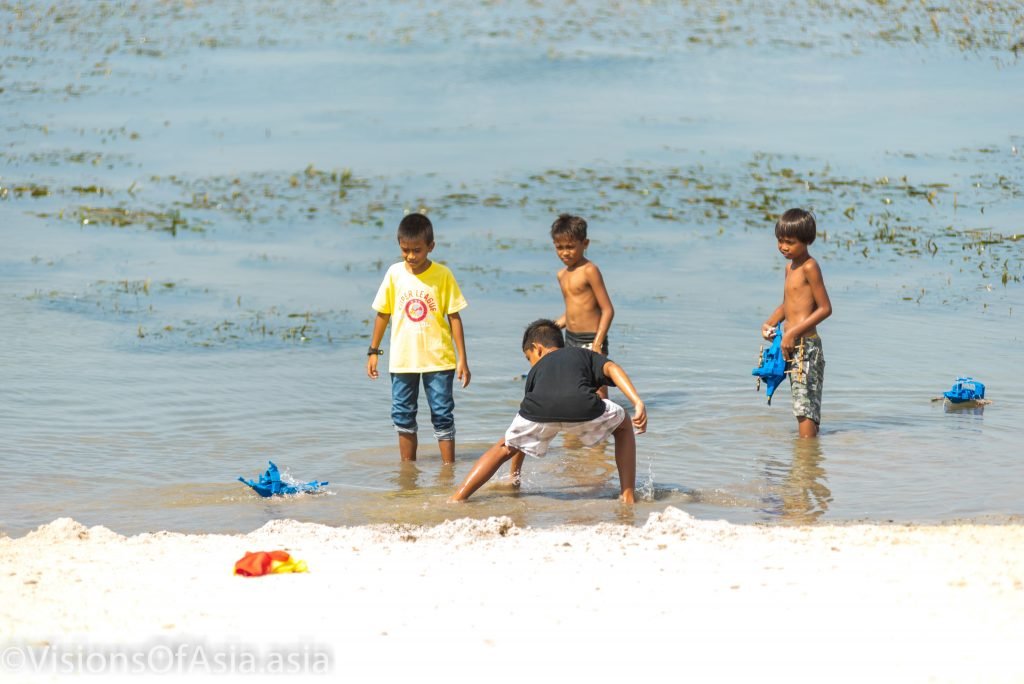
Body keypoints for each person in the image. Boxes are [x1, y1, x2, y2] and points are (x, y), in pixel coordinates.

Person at [449, 319, 646, 504]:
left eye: (529, 358)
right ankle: (627, 495)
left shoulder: (536, 370)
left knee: (504, 445)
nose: (531, 363)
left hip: (539, 409)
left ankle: (458, 497)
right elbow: (611, 367)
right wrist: (636, 401)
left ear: (538, 348)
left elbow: (520, 438)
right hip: (582, 407)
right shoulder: (582, 354)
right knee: (623, 426)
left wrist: (514, 476)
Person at [366, 213, 470, 464]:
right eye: (405, 250)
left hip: (439, 359)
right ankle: (407, 471)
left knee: (443, 414)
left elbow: (454, 317)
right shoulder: (394, 274)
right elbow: (383, 313)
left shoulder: (443, 275)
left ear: (431, 247)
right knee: (402, 414)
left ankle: (448, 470)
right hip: (403, 360)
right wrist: (373, 351)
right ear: (399, 245)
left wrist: (462, 359)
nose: (411, 256)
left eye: (417, 250)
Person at [760, 208, 833, 438]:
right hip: (791, 346)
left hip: (806, 347)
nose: (783, 247)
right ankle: (808, 458)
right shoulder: (789, 267)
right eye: (780, 241)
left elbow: (825, 308)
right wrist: (771, 322)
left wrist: (793, 333)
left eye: (789, 242)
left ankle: (806, 460)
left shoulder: (810, 267)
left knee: (805, 409)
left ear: (806, 241)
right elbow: (788, 303)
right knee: (801, 404)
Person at [550, 214, 614, 398]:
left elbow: (608, 310)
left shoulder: (589, 271)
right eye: (559, 247)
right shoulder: (562, 275)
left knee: (599, 392)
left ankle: (606, 424)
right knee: (575, 390)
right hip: (570, 339)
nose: (565, 252)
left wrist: (598, 343)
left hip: (592, 338)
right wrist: (550, 328)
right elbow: (571, 311)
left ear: (585, 244)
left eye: (570, 247)